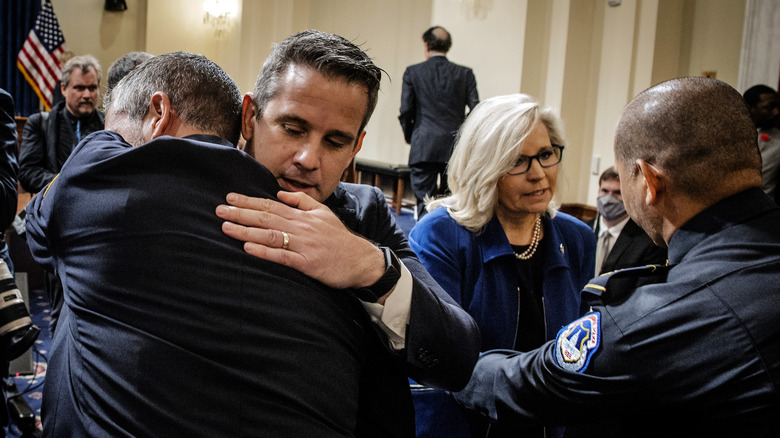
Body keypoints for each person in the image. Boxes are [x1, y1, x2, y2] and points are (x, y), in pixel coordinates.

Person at [453, 77, 780, 436]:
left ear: (649, 182)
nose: (538, 173)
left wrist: (454, 366)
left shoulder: (660, 318)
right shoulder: (447, 232)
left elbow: (530, 385)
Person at [214, 29, 481, 437]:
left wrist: (370, 267)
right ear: (250, 117)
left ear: (356, 148)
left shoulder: (366, 213)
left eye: (335, 141)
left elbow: (458, 356)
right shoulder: (201, 200)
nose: (308, 159)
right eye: (293, 128)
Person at [406, 94, 595, 438]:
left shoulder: (577, 237)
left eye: (546, 155)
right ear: (485, 168)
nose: (538, 173)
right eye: (517, 161)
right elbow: (440, 358)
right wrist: (541, 386)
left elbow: (580, 346)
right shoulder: (442, 235)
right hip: (462, 424)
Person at [19, 54, 104, 334]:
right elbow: (28, 171)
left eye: (92, 88)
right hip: (57, 228)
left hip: (99, 228)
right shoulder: (40, 123)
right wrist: (67, 182)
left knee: (96, 311)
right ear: (64, 88)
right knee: (60, 311)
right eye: (79, 88)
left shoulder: (108, 125)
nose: (87, 95)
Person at [398, 26, 479, 218]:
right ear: (448, 46)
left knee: (423, 203)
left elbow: (406, 110)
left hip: (424, 143)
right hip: (454, 146)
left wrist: (411, 136)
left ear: (426, 45)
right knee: (449, 203)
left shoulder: (413, 72)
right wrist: (462, 132)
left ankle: (423, 240)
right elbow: (477, 109)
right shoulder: (465, 74)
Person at [593, 166, 666, 277]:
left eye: (617, 192)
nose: (608, 199)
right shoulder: (581, 231)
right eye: (605, 191)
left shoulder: (649, 242)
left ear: (629, 196)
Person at [743, 84, 780, 199]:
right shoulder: (732, 135)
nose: (776, 112)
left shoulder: (778, 140)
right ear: (749, 108)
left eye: (778, 107)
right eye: (770, 107)